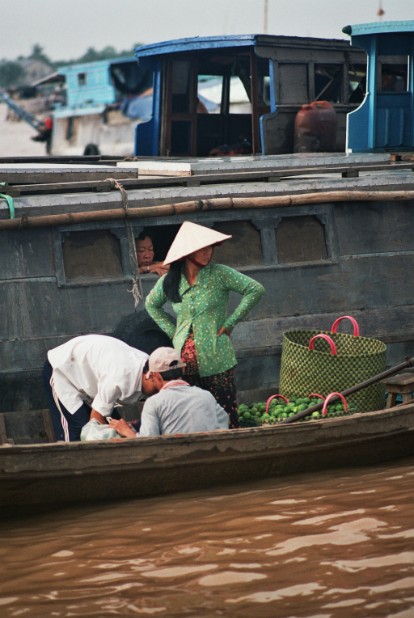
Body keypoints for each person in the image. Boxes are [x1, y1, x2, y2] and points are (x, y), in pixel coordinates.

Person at [145, 221, 265, 429]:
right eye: (202, 249)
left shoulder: (220, 274)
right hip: (184, 362)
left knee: (225, 413)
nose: (207, 253)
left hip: (217, 357)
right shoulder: (172, 280)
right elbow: (151, 305)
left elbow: (255, 289)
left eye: (209, 248)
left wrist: (230, 323)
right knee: (192, 413)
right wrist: (175, 333)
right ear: (187, 253)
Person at [43, 334, 157, 442]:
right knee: (78, 433)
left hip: (92, 380)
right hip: (63, 371)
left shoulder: (153, 365)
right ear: (151, 376)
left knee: (114, 428)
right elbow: (95, 420)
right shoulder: (119, 378)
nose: (162, 392)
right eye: (159, 387)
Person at [107, 346, 229, 438]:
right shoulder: (206, 396)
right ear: (183, 369)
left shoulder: (153, 403)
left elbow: (147, 444)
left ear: (156, 376)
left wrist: (126, 431)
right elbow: (224, 421)